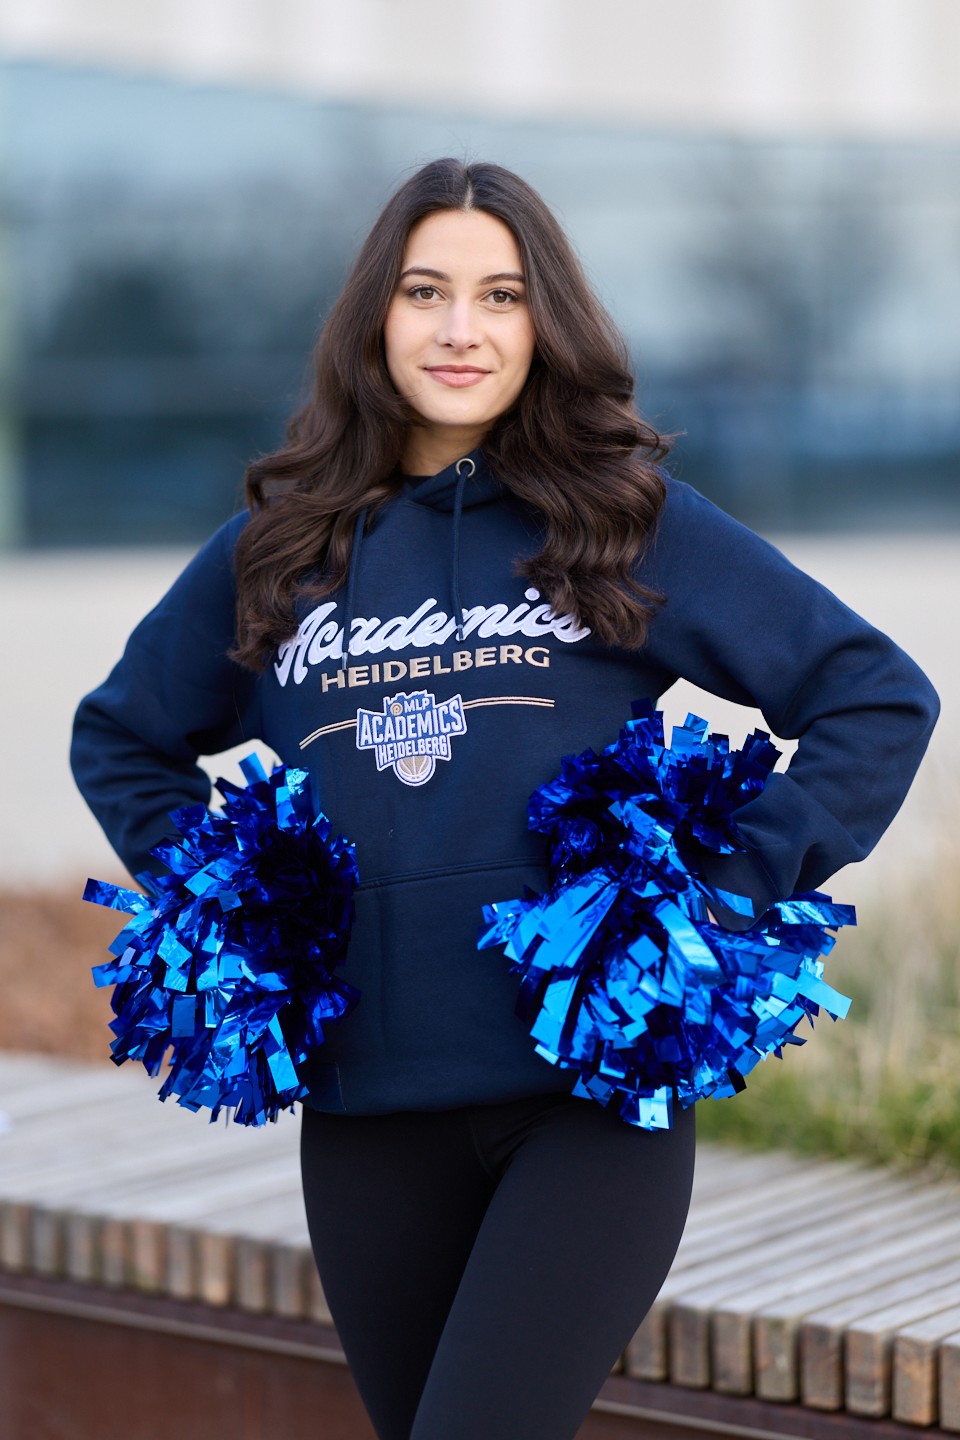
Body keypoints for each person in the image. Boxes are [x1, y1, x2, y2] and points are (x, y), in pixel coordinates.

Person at [71, 158, 939, 1440]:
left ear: (546, 325)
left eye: (501, 295)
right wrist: (234, 910)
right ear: (376, 317)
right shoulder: (282, 550)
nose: (460, 328)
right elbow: (121, 736)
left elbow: (874, 695)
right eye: (425, 291)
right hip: (367, 1118)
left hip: (586, 1107)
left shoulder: (621, 523)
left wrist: (719, 889)